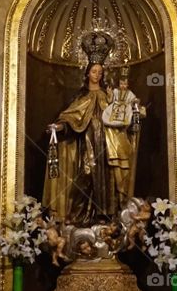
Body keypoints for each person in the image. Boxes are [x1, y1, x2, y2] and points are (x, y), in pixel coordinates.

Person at [44, 58, 113, 223]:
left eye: (100, 72)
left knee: (104, 178)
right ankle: (77, 215)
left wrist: (114, 102)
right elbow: (70, 116)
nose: (97, 75)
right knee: (85, 175)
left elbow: (116, 117)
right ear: (88, 73)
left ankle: (101, 215)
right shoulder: (82, 96)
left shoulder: (106, 95)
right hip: (85, 143)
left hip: (104, 144)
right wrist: (60, 127)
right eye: (94, 71)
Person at [101, 68, 144, 209]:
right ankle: (115, 199)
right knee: (114, 168)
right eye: (121, 83)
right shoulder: (115, 93)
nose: (123, 86)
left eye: (125, 83)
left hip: (122, 132)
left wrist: (135, 104)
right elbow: (108, 104)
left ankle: (123, 199)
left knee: (124, 164)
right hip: (111, 131)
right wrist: (108, 95)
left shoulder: (130, 94)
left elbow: (136, 107)